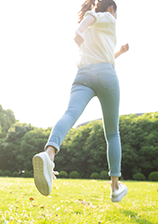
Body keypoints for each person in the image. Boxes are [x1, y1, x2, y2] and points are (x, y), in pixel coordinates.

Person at [32, 0, 128, 202]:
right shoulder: (107, 17)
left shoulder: (96, 28)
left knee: (70, 114)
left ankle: (49, 155)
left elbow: (103, 54)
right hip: (106, 76)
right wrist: (79, 31)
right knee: (112, 133)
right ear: (112, 8)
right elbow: (90, 18)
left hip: (84, 74)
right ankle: (115, 186)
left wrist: (119, 52)